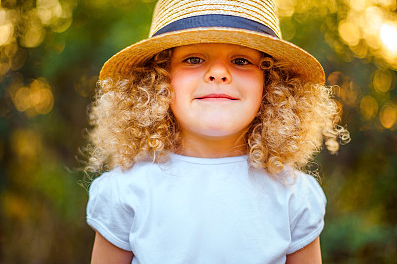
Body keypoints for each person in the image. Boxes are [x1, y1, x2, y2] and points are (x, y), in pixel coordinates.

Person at [85, 0, 349, 263]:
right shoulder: (126, 189)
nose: (219, 73)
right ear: (158, 80)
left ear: (270, 85)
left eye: (241, 60)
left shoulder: (293, 194)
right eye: (194, 59)